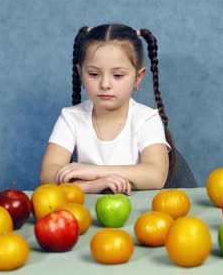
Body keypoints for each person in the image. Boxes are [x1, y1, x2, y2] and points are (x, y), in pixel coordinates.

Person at [39, 23, 178, 195]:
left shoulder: (147, 119)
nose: (105, 84)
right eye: (94, 74)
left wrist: (92, 171)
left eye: (118, 75)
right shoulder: (71, 117)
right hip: (85, 213)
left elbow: (156, 175)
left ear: (138, 77)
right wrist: (90, 186)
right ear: (80, 73)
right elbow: (47, 174)